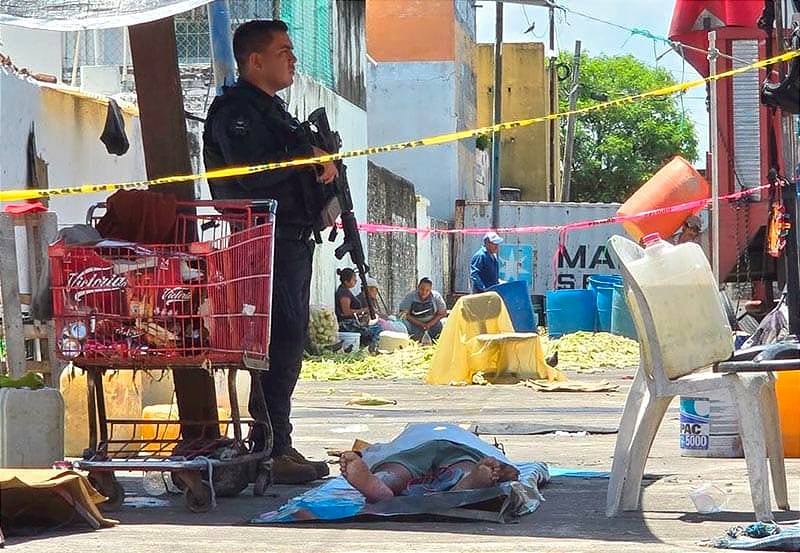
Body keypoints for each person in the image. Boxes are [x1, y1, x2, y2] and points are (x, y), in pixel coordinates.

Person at [203, 20, 337, 484]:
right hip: (264, 241)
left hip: (292, 239)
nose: (293, 59)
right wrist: (307, 163)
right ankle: (271, 447)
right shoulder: (237, 112)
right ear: (255, 60)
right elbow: (251, 178)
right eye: (284, 51)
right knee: (277, 343)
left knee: (289, 343)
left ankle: (278, 442)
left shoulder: (272, 111)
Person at [338, 423, 520, 504]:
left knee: (396, 469)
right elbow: (511, 471)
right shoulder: (472, 440)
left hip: (412, 447)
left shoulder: (414, 431)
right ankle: (465, 482)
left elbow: (377, 450)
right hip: (461, 448)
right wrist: (501, 469)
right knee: (465, 466)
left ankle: (381, 483)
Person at [335, 268, 382, 351]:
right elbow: (346, 312)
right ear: (346, 281)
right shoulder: (344, 293)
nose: (356, 281)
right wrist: (363, 310)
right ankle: (371, 349)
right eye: (353, 279)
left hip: (351, 322)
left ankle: (369, 347)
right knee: (377, 330)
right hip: (347, 324)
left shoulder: (345, 290)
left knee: (376, 328)